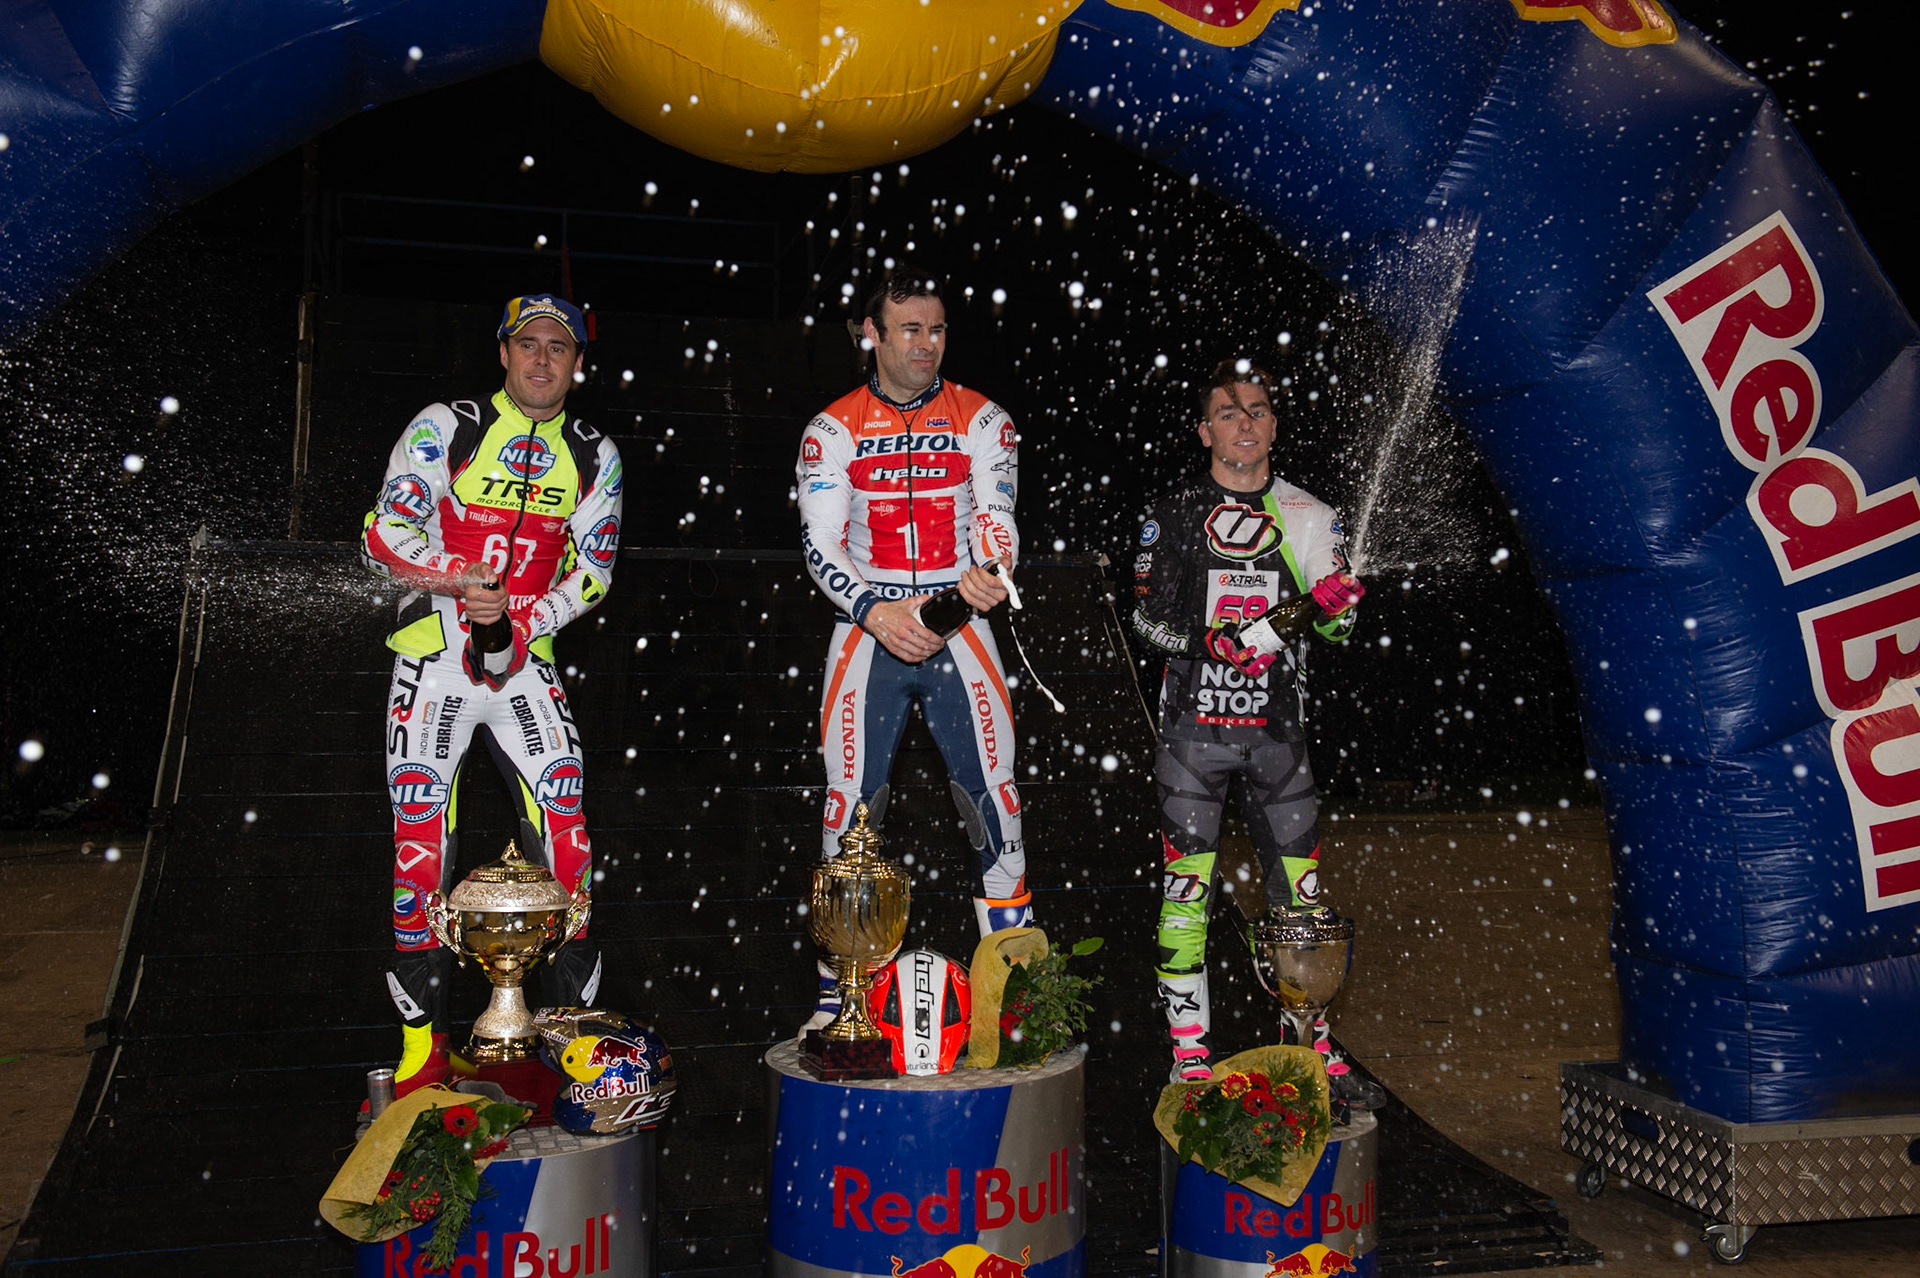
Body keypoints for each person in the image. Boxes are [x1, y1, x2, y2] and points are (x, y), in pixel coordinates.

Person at [362, 293, 623, 1094]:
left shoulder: (595, 452)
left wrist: (522, 617)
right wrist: (461, 579)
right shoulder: (448, 425)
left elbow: (595, 571)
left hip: (525, 661)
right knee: (419, 846)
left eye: (559, 347)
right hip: (434, 659)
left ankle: (573, 1040)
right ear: (503, 353)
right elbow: (382, 534)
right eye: (528, 344)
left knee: (568, 840)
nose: (543, 359)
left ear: (578, 364)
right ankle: (421, 1050)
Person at [795, 267, 1027, 1027]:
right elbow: (820, 543)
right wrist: (874, 609)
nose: (926, 344)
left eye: (937, 329)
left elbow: (995, 513)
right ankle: (840, 1003)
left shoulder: (983, 417)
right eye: (910, 330)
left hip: (962, 626)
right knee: (849, 812)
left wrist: (990, 567)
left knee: (994, 803)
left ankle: (1014, 1001)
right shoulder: (832, 429)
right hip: (867, 629)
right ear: (872, 334)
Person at [1132, 359, 1366, 1083]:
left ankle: (1310, 1044)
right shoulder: (1173, 513)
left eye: (1258, 410)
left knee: (1302, 903)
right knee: (1186, 899)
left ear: (1274, 425)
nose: (1245, 422)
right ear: (1205, 431)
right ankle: (1190, 1056)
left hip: (1277, 741)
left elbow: (1337, 631)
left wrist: (1337, 607)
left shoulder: (1309, 514)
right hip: (1192, 739)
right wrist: (1210, 643)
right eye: (1228, 412)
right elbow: (1147, 621)